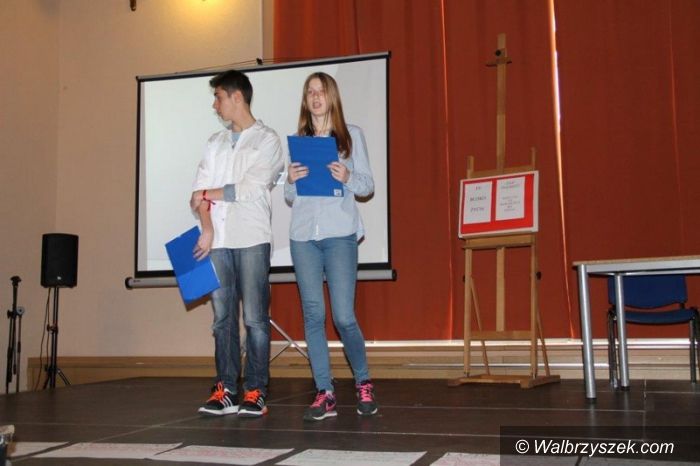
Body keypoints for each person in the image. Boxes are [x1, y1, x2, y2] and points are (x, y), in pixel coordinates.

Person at [285, 72, 378, 421]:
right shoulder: (299, 142)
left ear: (332, 97)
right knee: (313, 314)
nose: (315, 97)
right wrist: (290, 180)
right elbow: (290, 196)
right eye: (310, 92)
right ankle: (324, 391)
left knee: (343, 316)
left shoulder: (351, 136)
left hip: (339, 234)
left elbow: (367, 186)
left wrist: (347, 176)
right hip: (303, 236)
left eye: (321, 91)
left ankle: (363, 381)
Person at [190, 69, 283, 417]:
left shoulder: (267, 140)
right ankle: (225, 388)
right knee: (222, 319)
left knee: (256, 319)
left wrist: (208, 193)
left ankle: (255, 389)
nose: (215, 105)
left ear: (237, 97)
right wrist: (207, 228)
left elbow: (250, 189)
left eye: (218, 97)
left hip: (252, 238)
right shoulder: (214, 142)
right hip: (217, 240)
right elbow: (196, 194)